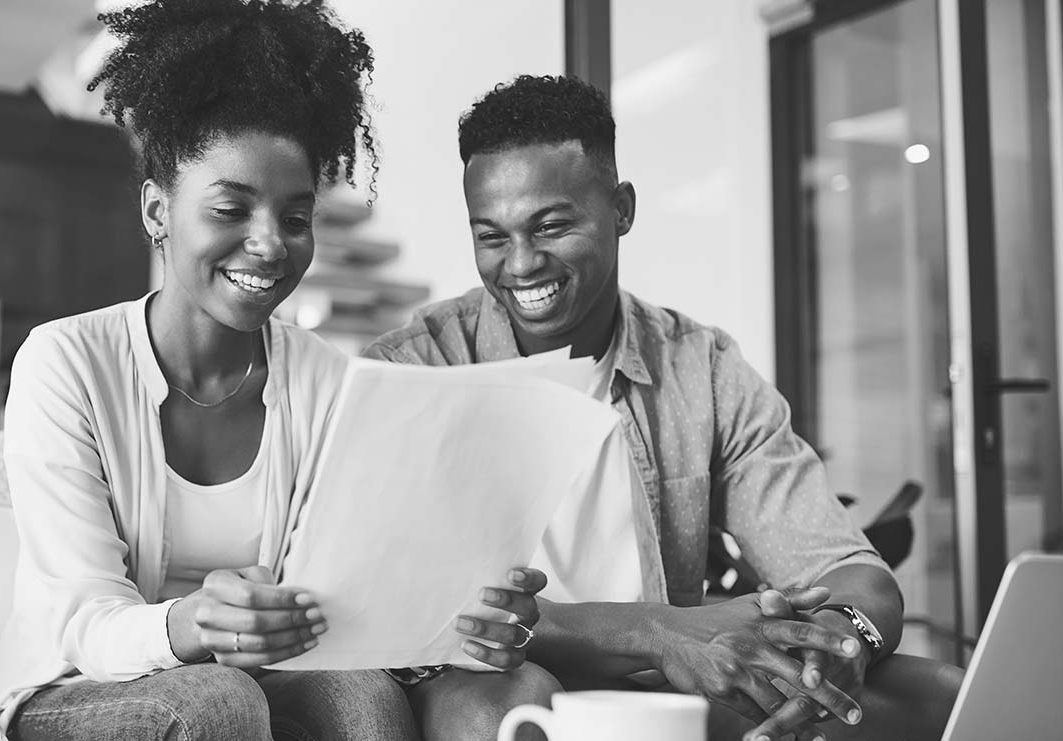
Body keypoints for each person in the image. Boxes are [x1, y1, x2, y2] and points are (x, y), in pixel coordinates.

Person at [0, 3, 552, 739]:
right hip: (68, 690)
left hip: (256, 683)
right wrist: (192, 623)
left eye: (295, 218)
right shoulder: (64, 363)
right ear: (157, 211)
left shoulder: (329, 384)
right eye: (232, 208)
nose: (269, 245)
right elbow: (84, 619)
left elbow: (348, 602)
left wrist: (461, 621)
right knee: (214, 701)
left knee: (364, 699)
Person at [363, 74, 963, 741]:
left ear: (621, 209)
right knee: (507, 704)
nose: (522, 264)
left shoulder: (698, 367)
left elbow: (851, 569)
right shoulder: (412, 370)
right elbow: (434, 608)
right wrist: (662, 630)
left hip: (661, 679)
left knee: (939, 695)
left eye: (551, 226)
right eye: (492, 236)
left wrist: (837, 638)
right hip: (499, 675)